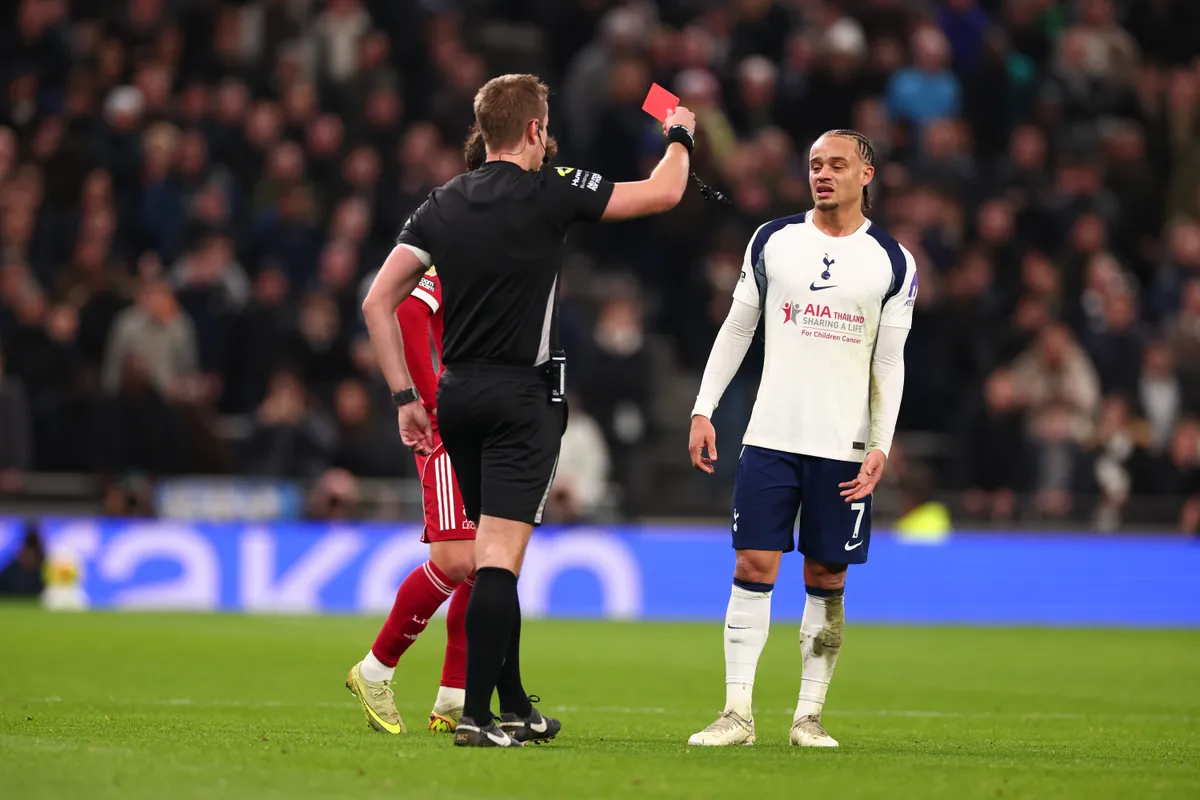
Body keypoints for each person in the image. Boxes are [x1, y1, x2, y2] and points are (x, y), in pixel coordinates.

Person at [361, 73, 696, 747]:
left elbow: (376, 301)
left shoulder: (440, 203)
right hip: (523, 397)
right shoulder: (553, 188)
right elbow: (665, 190)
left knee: (490, 555)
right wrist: (680, 132)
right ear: (536, 131)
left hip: (457, 398)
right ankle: (480, 719)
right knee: (499, 562)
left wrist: (403, 396)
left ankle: (512, 704)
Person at [685, 129, 917, 748]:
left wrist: (881, 445)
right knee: (752, 562)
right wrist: (703, 408)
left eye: (838, 164)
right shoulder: (772, 242)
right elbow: (737, 328)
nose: (823, 174)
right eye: (815, 164)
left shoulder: (892, 261)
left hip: (842, 445)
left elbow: (889, 362)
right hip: (770, 435)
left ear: (867, 174)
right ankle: (736, 714)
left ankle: (807, 718)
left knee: (828, 577)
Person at [346, 265, 476, 735]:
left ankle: (455, 697)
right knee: (458, 559)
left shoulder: (510, 243)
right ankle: (375, 670)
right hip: (447, 427)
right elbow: (407, 307)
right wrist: (429, 400)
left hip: (487, 423)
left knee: (485, 562)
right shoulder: (456, 242)